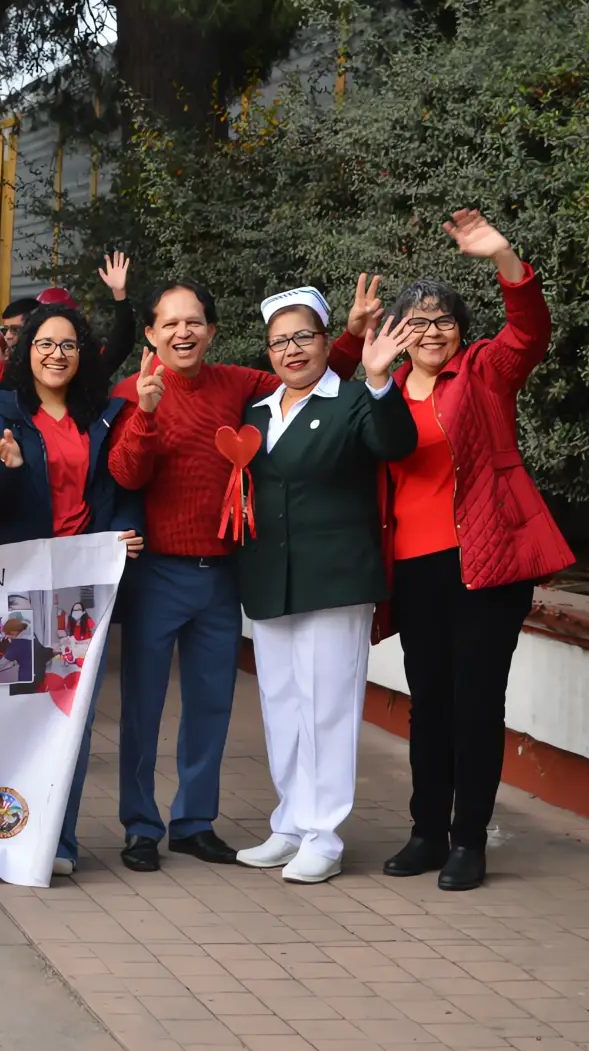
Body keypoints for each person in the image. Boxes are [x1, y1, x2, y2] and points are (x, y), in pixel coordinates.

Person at [107, 279, 361, 873]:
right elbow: (125, 475)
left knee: (211, 704)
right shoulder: (133, 390)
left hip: (222, 573)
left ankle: (194, 822)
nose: (182, 333)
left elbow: (313, 381)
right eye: (169, 324)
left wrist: (348, 335)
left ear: (213, 330)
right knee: (142, 707)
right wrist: (144, 414)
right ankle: (141, 826)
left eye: (194, 321)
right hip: (156, 572)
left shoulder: (240, 385)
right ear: (149, 333)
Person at [375, 211, 571, 892]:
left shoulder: (483, 371)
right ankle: (426, 831)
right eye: (417, 323)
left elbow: (530, 333)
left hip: (483, 563)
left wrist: (506, 258)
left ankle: (468, 841)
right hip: (416, 568)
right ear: (397, 335)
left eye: (443, 321)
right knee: (428, 701)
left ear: (460, 330)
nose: (432, 333)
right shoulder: (385, 391)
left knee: (477, 702)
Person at [230, 287, 417, 884]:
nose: (292, 350)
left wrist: (381, 380)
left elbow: (397, 444)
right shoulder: (257, 413)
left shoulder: (356, 400)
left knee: (327, 708)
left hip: (334, 578)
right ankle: (289, 823)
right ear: (268, 350)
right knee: (281, 704)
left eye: (303, 337)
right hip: (271, 579)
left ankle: (325, 834)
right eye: (280, 340)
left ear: (324, 340)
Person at [0, 302, 144, 876]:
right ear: (27, 352)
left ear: (82, 354)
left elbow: (120, 485)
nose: (56, 354)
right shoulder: (0, 411)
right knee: (10, 717)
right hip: (16, 588)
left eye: (67, 344)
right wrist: (6, 467)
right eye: (45, 344)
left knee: (71, 719)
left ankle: (57, 842)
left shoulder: (104, 414)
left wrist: (120, 537)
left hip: (79, 588)